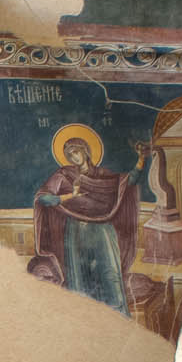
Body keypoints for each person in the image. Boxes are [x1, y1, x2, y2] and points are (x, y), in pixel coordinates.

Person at [31, 129, 139, 309]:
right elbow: (42, 197)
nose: (73, 157)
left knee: (110, 276)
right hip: (76, 233)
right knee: (80, 279)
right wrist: (68, 197)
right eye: (69, 154)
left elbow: (128, 183)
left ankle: (117, 320)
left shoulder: (103, 175)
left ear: (85, 151)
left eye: (76, 151)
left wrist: (141, 160)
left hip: (102, 231)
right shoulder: (64, 175)